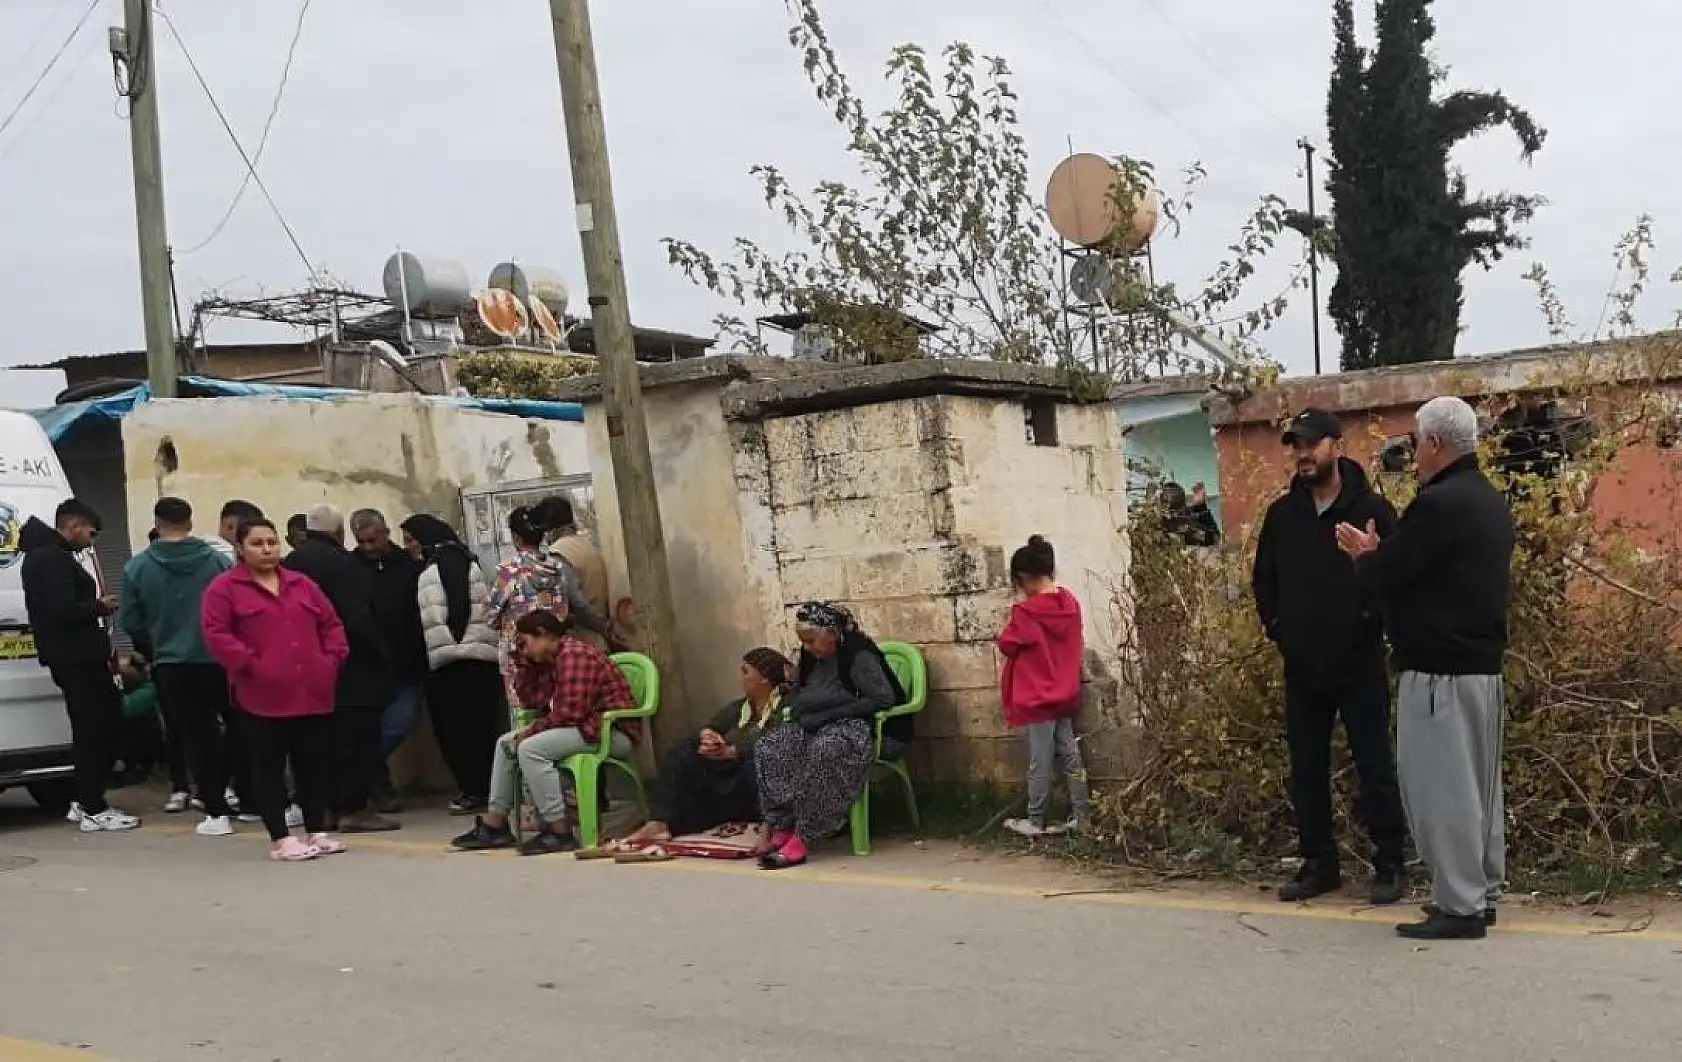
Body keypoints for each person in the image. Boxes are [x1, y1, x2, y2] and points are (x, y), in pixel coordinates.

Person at [1335, 396, 1515, 941]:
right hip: (1482, 669)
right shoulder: (1487, 501)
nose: (1412, 452)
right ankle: (1479, 893)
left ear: (1435, 444)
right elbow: (1424, 566)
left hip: (1439, 672)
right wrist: (1384, 554)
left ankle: (1458, 906)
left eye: (1415, 441)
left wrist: (1367, 555)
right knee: (1480, 792)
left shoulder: (1438, 505)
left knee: (1443, 792)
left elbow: (1392, 571)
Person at [1253, 408, 1408, 906]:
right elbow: (1265, 581)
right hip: (1303, 668)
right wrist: (1279, 629)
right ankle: (1320, 865)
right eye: (1296, 445)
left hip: (1358, 664)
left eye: (1312, 444)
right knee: (1307, 769)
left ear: (1336, 447)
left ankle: (1389, 864)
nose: (1302, 454)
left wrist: (1374, 626)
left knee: (1375, 767)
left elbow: (1398, 578)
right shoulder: (1282, 516)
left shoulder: (1372, 510)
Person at [201, 517, 350, 862]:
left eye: (271, 542)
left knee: (313, 763)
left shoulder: (302, 584)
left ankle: (317, 829)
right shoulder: (225, 589)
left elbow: (331, 625)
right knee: (267, 766)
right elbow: (217, 635)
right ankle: (281, 837)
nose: (267, 549)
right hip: (262, 695)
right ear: (240, 548)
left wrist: (331, 661)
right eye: (257, 543)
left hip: (312, 690)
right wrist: (252, 666)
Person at [450, 610, 637, 856]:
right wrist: (524, 665)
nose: (523, 650)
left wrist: (530, 734)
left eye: (524, 643)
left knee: (530, 749)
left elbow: (571, 712)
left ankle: (559, 830)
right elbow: (530, 702)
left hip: (608, 732)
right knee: (505, 743)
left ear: (543, 635)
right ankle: (495, 824)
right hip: (581, 728)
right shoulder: (548, 662)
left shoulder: (574, 655)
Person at [118, 497, 241, 837]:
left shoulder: (138, 567)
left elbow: (130, 619)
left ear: (157, 523)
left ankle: (215, 811)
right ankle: (243, 795)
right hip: (219, 658)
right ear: (190, 522)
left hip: (171, 663)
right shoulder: (217, 562)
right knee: (238, 725)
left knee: (196, 736)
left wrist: (155, 641)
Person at [754, 602, 905, 870]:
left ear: (831, 633)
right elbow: (803, 691)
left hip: (859, 729)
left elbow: (882, 698)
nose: (808, 648)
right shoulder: (813, 656)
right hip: (816, 724)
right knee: (771, 747)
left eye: (812, 641)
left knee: (826, 751)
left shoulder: (858, 655)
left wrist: (829, 714)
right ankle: (784, 823)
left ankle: (805, 835)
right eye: (804, 642)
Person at [19, 498, 138, 832]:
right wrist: (98, 607)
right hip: (76, 658)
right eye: (90, 531)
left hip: (82, 656)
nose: (92, 539)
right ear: (73, 526)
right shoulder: (50, 560)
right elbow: (59, 611)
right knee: (95, 729)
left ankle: (85, 799)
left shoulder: (51, 557)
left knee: (103, 725)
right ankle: (91, 805)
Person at [284, 504, 398, 833]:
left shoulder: (291, 564)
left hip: (305, 667)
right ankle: (354, 809)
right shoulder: (343, 564)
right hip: (350, 667)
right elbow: (357, 617)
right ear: (338, 532)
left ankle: (327, 810)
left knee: (321, 743)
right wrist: (380, 655)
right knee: (358, 741)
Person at [622, 647, 794, 849]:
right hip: (726, 778)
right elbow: (713, 725)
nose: (741, 677)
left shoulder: (786, 707)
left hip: (752, 785)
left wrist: (734, 752)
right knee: (684, 748)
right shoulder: (740, 707)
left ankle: (770, 828)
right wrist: (709, 738)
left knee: (760, 755)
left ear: (764, 679)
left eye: (746, 672)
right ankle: (659, 822)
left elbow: (780, 740)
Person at [400, 513, 504, 815]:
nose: (408, 547)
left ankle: (477, 790)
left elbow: (457, 603)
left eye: (411, 540)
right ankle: (478, 788)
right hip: (458, 658)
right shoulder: (447, 559)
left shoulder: (449, 560)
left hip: (462, 660)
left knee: (463, 730)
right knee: (465, 729)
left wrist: (453, 639)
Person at [997, 535, 1091, 839]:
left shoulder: (1026, 613)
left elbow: (1007, 644)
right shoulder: (1071, 603)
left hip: (1038, 697)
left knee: (1040, 761)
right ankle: (1082, 816)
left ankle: (1035, 820)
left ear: (1023, 577)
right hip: (1065, 691)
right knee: (1070, 754)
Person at [487, 506, 613, 704]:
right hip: (553, 650)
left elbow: (491, 616)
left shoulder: (509, 571)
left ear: (516, 538)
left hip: (521, 653)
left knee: (524, 712)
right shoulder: (559, 566)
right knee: (555, 704)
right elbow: (576, 604)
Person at [350, 508, 427, 814]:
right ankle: (375, 785)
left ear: (385, 534)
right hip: (368, 664)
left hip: (406, 664)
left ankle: (359, 774)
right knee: (370, 729)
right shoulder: (352, 568)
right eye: (362, 542)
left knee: (398, 724)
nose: (368, 548)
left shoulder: (408, 567)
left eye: (372, 540)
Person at [533, 496, 613, 651]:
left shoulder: (558, 553)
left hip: (582, 643)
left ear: (547, 528)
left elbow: (576, 602)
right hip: (600, 641)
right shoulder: (589, 545)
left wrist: (604, 626)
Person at [1159, 481, 1221, 547]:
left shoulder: (1187, 520)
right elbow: (1215, 538)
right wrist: (1200, 507)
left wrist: (1200, 506)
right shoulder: (1184, 527)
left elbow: (1214, 538)